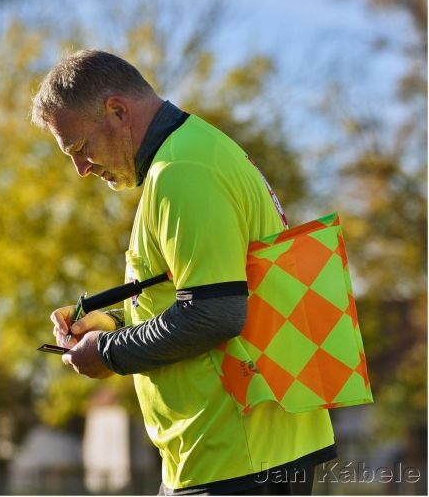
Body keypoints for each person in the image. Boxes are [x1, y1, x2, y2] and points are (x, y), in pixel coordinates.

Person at [31, 50, 336, 495]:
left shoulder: (182, 172)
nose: (80, 170)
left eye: (79, 148)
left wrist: (109, 351)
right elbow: (203, 297)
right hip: (234, 452)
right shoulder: (189, 156)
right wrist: (114, 323)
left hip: (238, 456)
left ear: (117, 111)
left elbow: (214, 314)